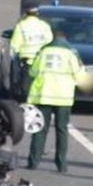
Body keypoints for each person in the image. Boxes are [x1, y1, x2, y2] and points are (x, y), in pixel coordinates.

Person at [27, 30, 84, 173]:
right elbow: (79, 75)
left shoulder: (44, 51)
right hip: (63, 98)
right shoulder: (71, 53)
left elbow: (32, 72)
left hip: (44, 95)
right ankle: (61, 164)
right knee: (62, 130)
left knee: (40, 129)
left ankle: (34, 161)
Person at [9, 4, 53, 96]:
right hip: (42, 60)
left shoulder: (21, 25)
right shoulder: (44, 26)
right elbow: (50, 42)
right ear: (37, 13)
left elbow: (15, 45)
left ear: (26, 13)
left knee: (26, 86)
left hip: (27, 61)